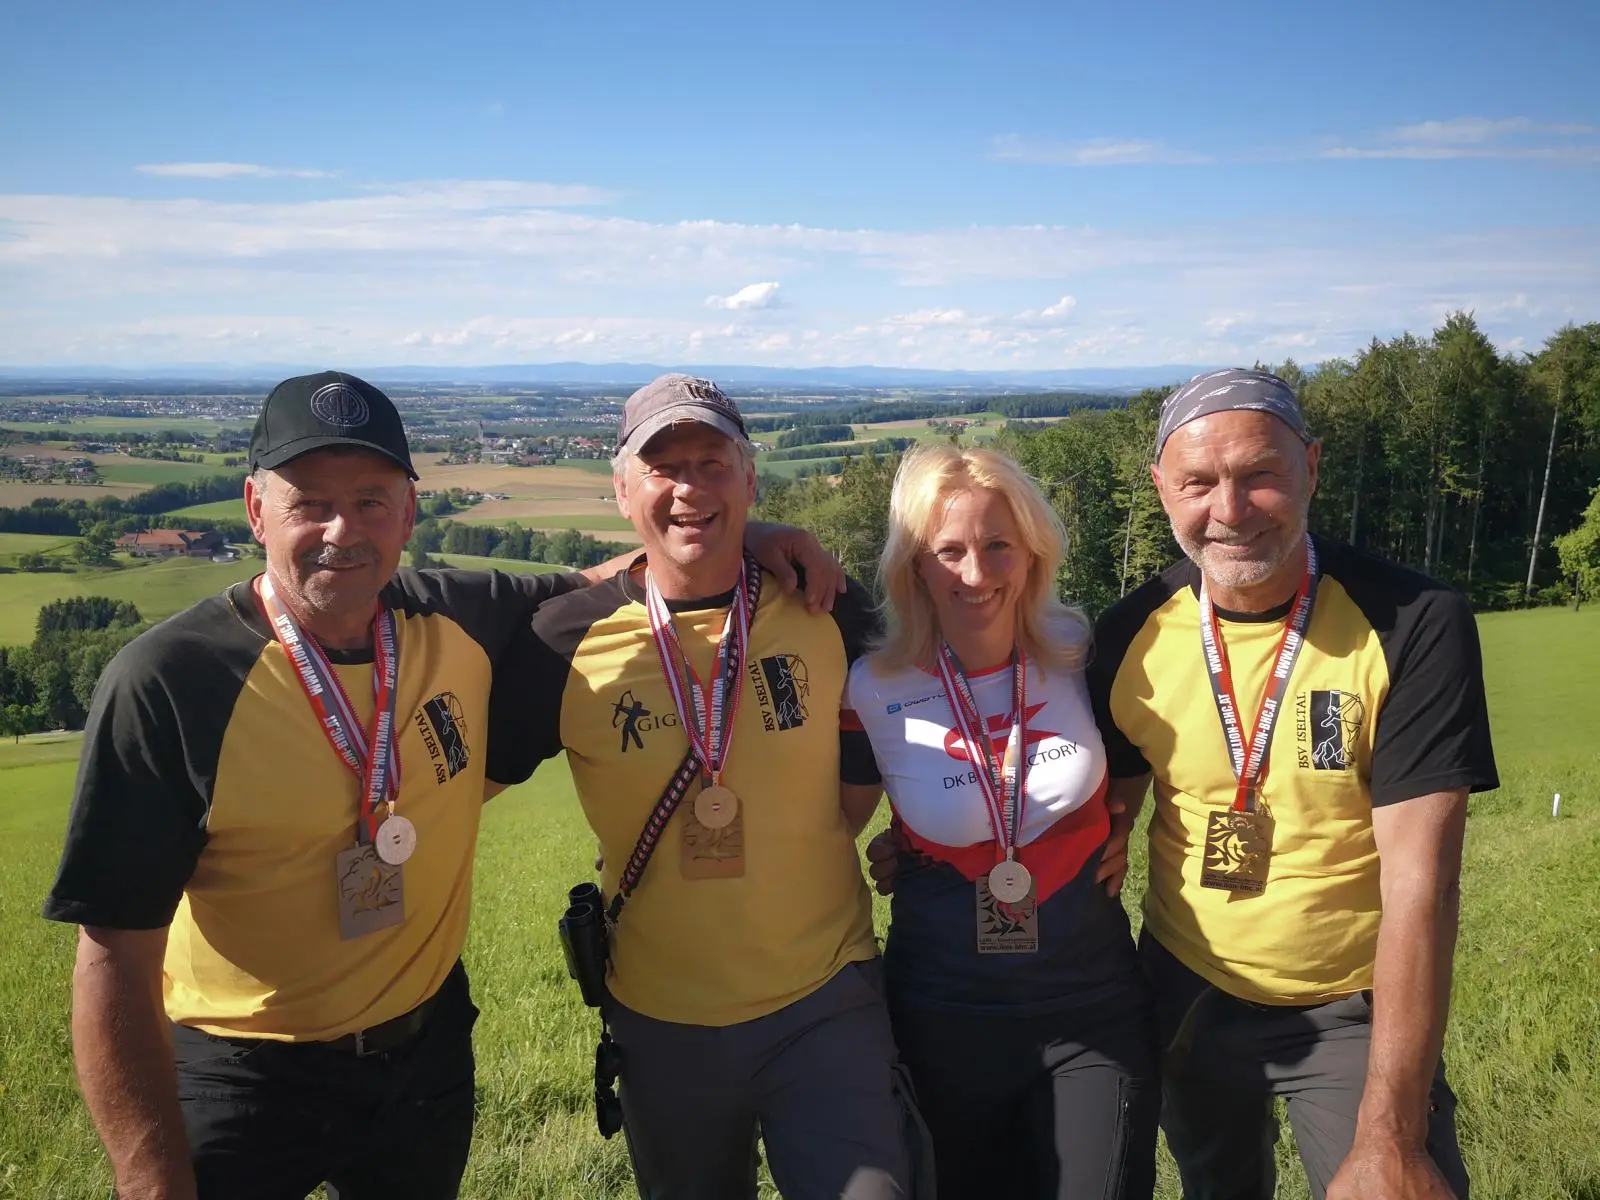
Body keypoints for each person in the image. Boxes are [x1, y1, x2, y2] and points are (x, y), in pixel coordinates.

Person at [40, 370, 845, 1200]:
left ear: (410, 512)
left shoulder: (461, 615)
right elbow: (110, 956)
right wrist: (149, 1181)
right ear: (254, 509)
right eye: (308, 502)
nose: (340, 531)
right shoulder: (171, 680)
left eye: (370, 500)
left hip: (422, 1058)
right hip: (243, 1074)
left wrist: (756, 532)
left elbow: (630, 573)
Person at [487, 374, 915, 1200]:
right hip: (659, 1020)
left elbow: (885, 749)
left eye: (713, 464)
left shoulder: (825, 602)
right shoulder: (562, 642)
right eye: (663, 467)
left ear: (750, 481)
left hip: (827, 1000)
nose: (690, 488)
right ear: (621, 492)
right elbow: (459, 792)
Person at [1089, 368, 1498, 1200]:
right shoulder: (1128, 631)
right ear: (1162, 487)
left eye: (1260, 475)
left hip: (1352, 1006)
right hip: (1188, 994)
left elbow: (1425, 883)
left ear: (1312, 465)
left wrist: (1391, 1132)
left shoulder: (1414, 621)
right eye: (1199, 482)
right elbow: (1104, 817)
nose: (1229, 511)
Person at [843, 446, 1158, 1200]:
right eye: (947, 551)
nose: (975, 574)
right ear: (914, 565)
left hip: (1094, 999)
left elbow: (1138, 773)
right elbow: (827, 824)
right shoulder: (870, 686)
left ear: (1032, 553)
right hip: (944, 1012)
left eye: (997, 546)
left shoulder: (1086, 656)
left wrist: (1121, 822)